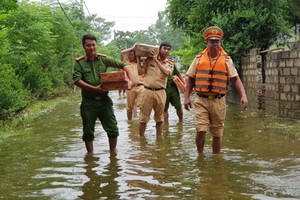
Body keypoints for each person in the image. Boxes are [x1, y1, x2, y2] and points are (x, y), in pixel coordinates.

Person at [184, 26, 248, 154]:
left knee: (217, 133)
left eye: (217, 41)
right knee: (201, 130)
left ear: (220, 43)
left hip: (218, 101)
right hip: (201, 99)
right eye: (212, 41)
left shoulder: (226, 60)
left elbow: (235, 79)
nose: (215, 44)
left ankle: (216, 158)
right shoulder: (198, 59)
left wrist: (243, 96)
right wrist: (186, 98)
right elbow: (190, 79)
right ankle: (200, 155)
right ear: (207, 43)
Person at [73, 33, 131, 154]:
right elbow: (77, 80)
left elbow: (123, 65)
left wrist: (129, 80)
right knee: (88, 132)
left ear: (96, 45)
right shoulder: (79, 63)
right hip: (88, 102)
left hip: (105, 101)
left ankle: (113, 155)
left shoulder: (103, 60)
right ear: (84, 47)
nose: (91, 48)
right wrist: (95, 89)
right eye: (88, 45)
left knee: (113, 130)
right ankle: (90, 157)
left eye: (93, 45)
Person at [137, 41, 174, 136]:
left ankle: (159, 139)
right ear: (159, 49)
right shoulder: (149, 60)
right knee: (143, 118)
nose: (166, 51)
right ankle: (141, 140)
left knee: (159, 118)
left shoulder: (169, 63)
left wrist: (157, 61)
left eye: (168, 49)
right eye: (164, 48)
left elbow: (167, 73)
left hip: (160, 92)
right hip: (147, 91)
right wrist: (138, 59)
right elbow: (140, 72)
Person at [123, 50, 144, 120]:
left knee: (142, 105)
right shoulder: (125, 63)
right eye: (128, 55)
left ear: (135, 55)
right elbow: (121, 53)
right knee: (129, 107)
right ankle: (130, 122)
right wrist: (132, 48)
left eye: (131, 54)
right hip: (130, 88)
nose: (130, 56)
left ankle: (141, 122)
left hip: (141, 86)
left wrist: (138, 55)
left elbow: (147, 57)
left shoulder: (139, 62)